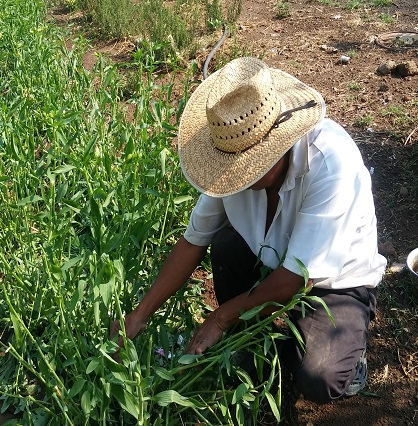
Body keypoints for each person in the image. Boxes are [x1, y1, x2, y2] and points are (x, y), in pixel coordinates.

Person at [109, 57, 387, 404]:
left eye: (250, 166)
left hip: (335, 283)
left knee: (320, 376)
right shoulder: (230, 161)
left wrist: (222, 317)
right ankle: (256, 341)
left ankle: (346, 355)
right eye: (233, 166)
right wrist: (138, 315)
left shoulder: (331, 163)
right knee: (224, 244)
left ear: (279, 142)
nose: (240, 176)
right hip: (272, 259)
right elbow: (193, 240)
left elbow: (299, 278)